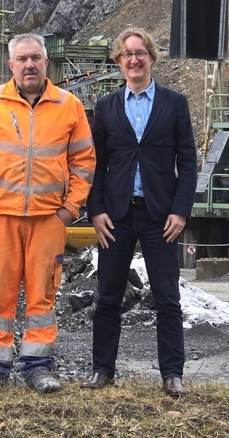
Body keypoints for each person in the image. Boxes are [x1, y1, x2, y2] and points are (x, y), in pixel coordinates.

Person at [0, 33, 95, 394]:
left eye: (35, 57)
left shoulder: (69, 106)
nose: (29, 64)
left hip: (48, 220)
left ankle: (38, 367)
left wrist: (68, 210)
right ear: (11, 65)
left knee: (42, 298)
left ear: (46, 62)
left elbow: (84, 163)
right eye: (22, 59)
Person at [81, 27, 197, 398]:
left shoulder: (175, 103)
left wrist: (180, 211)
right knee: (108, 296)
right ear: (119, 61)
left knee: (167, 297)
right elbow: (95, 164)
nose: (134, 59)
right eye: (127, 54)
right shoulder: (106, 106)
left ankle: (172, 375)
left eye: (140, 53)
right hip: (116, 216)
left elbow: (188, 162)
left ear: (151, 57)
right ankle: (102, 371)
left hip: (160, 216)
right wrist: (95, 210)